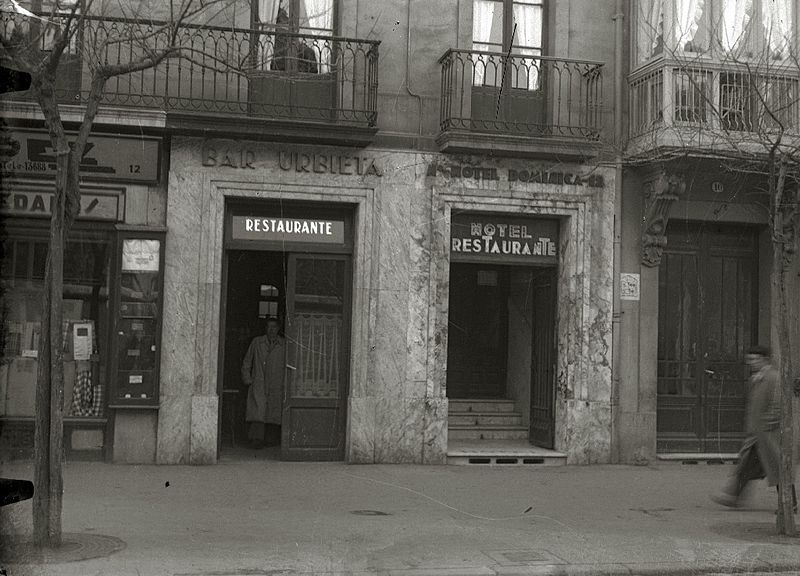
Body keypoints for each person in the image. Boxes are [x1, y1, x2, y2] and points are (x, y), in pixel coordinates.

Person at [711, 345, 797, 512]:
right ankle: (735, 496)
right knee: (750, 466)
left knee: (777, 467)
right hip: (759, 435)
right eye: (750, 359)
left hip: (770, 434)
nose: (752, 362)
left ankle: (789, 504)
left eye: (755, 359)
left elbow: (779, 407)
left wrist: (765, 425)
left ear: (765, 359)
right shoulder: (756, 378)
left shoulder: (774, 377)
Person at [241, 317, 286, 448]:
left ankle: (271, 439)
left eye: (274, 327)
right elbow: (247, 361)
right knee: (258, 411)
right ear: (265, 329)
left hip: (276, 382)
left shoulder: (284, 344)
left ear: (278, 328)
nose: (271, 330)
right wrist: (248, 379)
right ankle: (256, 440)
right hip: (259, 381)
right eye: (269, 327)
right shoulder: (257, 342)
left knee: (273, 411)